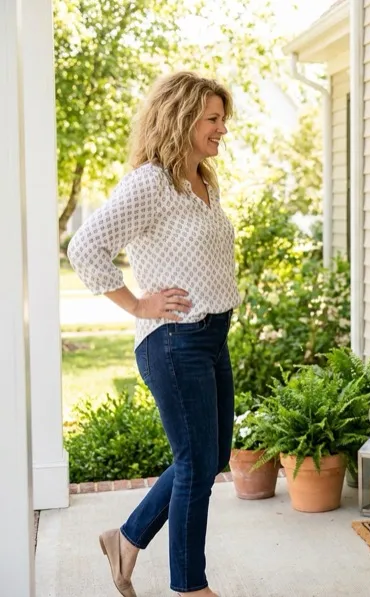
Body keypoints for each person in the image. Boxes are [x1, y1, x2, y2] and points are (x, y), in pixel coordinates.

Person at [67, 71, 241, 597]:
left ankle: (125, 538)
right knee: (195, 465)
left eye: (222, 119)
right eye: (212, 119)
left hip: (212, 336)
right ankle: (190, 588)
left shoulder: (202, 181)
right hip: (174, 340)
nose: (221, 130)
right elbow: (85, 248)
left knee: (211, 459)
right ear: (182, 119)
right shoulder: (151, 183)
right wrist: (136, 303)